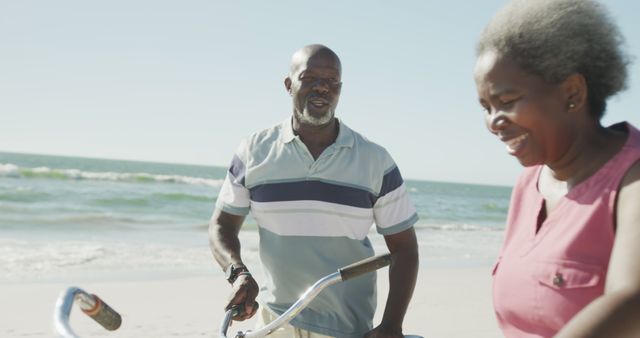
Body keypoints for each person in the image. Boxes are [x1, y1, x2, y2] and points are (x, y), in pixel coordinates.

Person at [209, 44, 419, 338]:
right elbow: (222, 224)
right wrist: (238, 274)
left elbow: (405, 249)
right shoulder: (254, 151)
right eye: (309, 78)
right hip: (273, 322)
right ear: (289, 84)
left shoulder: (376, 160)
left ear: (340, 89)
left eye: (331, 80)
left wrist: (392, 325)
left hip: (347, 327)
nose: (322, 87)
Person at [474, 0, 640, 337]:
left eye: (506, 102)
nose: (493, 122)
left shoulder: (633, 180)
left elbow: (632, 301)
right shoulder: (528, 183)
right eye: (486, 107)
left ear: (572, 93)